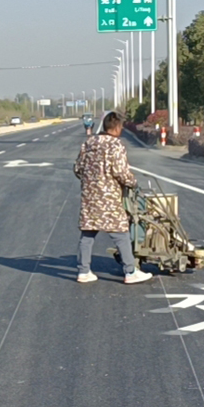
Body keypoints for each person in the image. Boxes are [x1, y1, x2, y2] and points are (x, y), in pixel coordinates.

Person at [73, 111, 153, 285]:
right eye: (121, 127)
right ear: (116, 128)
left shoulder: (88, 143)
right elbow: (120, 171)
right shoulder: (115, 145)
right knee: (121, 234)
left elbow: (77, 168)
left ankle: (83, 271)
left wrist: (90, 183)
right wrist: (132, 182)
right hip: (109, 197)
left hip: (89, 197)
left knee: (87, 234)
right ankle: (130, 271)